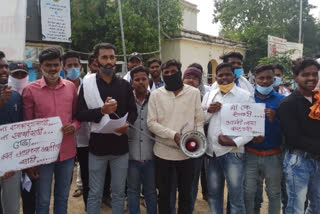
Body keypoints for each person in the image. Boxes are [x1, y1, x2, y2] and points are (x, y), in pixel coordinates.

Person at [77, 43, 137, 214]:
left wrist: (127, 125)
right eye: (104, 57)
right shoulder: (87, 84)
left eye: (112, 57)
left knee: (118, 193)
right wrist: (101, 111)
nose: (109, 61)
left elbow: (133, 111)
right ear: (97, 60)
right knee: (94, 193)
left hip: (120, 148)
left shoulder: (124, 85)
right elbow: (80, 114)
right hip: (97, 148)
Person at [22, 48, 80, 214]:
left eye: (56, 65)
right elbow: (27, 126)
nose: (53, 69)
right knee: (43, 198)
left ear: (61, 66)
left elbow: (77, 117)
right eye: (48, 65)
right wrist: (30, 161)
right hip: (42, 156)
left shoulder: (70, 88)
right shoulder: (30, 90)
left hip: (67, 153)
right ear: (41, 66)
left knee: (62, 197)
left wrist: (74, 126)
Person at [147, 59, 204, 214]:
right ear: (162, 74)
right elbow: (151, 123)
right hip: (163, 154)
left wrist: (196, 141)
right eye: (166, 73)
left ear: (180, 71)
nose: (170, 74)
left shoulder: (194, 93)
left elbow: (199, 120)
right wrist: (174, 135)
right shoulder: (155, 95)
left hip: (187, 155)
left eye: (173, 71)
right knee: (164, 194)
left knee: (186, 194)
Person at [202, 62, 254, 214]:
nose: (224, 78)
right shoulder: (209, 94)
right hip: (212, 153)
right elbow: (200, 120)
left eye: (227, 74)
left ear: (234, 76)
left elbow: (251, 128)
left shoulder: (245, 96)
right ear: (216, 77)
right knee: (213, 195)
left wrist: (234, 142)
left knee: (236, 197)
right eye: (220, 75)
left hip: (233, 153)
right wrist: (209, 111)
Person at [278, 57, 320, 214]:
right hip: (299, 161)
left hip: (318, 159)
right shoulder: (288, 104)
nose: (311, 78)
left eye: (314, 74)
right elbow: (294, 138)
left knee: (317, 206)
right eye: (305, 74)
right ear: (295, 77)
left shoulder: (317, 100)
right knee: (296, 206)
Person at [244, 64, 285, 214]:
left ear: (274, 79)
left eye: (269, 78)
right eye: (261, 78)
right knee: (248, 193)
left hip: (273, 155)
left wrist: (276, 118)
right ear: (255, 80)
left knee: (274, 193)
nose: (265, 81)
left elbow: (288, 128)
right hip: (250, 153)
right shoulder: (246, 98)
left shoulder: (282, 100)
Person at [127, 66, 157, 214]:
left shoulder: (156, 99)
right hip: (131, 156)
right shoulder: (126, 100)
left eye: (143, 79)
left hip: (151, 155)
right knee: (132, 191)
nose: (140, 82)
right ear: (132, 82)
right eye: (137, 79)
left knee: (151, 192)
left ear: (148, 80)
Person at [62, 51, 90, 208]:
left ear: (80, 67)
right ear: (64, 68)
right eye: (69, 65)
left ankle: (88, 207)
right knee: (64, 180)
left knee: (87, 177)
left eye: (76, 65)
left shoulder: (89, 86)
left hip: (86, 139)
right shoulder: (60, 87)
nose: (73, 68)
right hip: (65, 141)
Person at [0, 51, 22, 214]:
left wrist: (14, 161)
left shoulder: (15, 96)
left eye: (6, 66)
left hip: (12, 162)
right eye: (0, 67)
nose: (4, 70)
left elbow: (20, 128)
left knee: (12, 208)